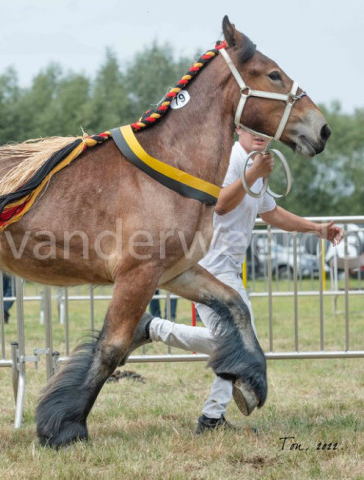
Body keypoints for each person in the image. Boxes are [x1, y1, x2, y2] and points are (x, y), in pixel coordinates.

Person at [126, 126, 344, 434]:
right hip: (209, 267)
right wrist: (254, 174)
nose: (260, 135)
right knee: (239, 344)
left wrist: (317, 229)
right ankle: (157, 333)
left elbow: (271, 213)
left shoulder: (257, 163)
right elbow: (222, 203)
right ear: (239, 128)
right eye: (253, 129)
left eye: (265, 130)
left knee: (235, 344)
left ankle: (210, 414)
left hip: (227, 266)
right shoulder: (231, 159)